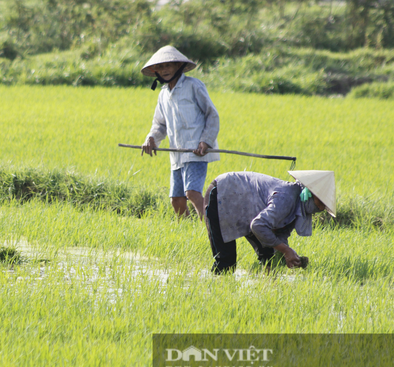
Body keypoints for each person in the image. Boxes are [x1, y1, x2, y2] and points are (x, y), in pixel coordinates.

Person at [140, 45, 220, 220]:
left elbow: (212, 115)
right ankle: (187, 229)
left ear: (178, 66)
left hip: (196, 150)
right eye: (160, 67)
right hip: (177, 153)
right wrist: (151, 138)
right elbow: (160, 125)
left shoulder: (193, 86)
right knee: (176, 200)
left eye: (169, 65)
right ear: (155, 71)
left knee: (192, 192)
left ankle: (209, 230)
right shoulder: (163, 95)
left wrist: (206, 141)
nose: (165, 70)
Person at [204, 170, 336, 274]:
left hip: (247, 208)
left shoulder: (297, 205)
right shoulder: (286, 198)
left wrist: (287, 254)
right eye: (321, 203)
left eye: (324, 206)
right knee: (226, 262)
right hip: (222, 194)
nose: (320, 209)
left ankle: (269, 286)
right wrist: (286, 250)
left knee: (269, 255)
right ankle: (215, 289)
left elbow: (280, 235)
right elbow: (258, 225)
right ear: (311, 194)